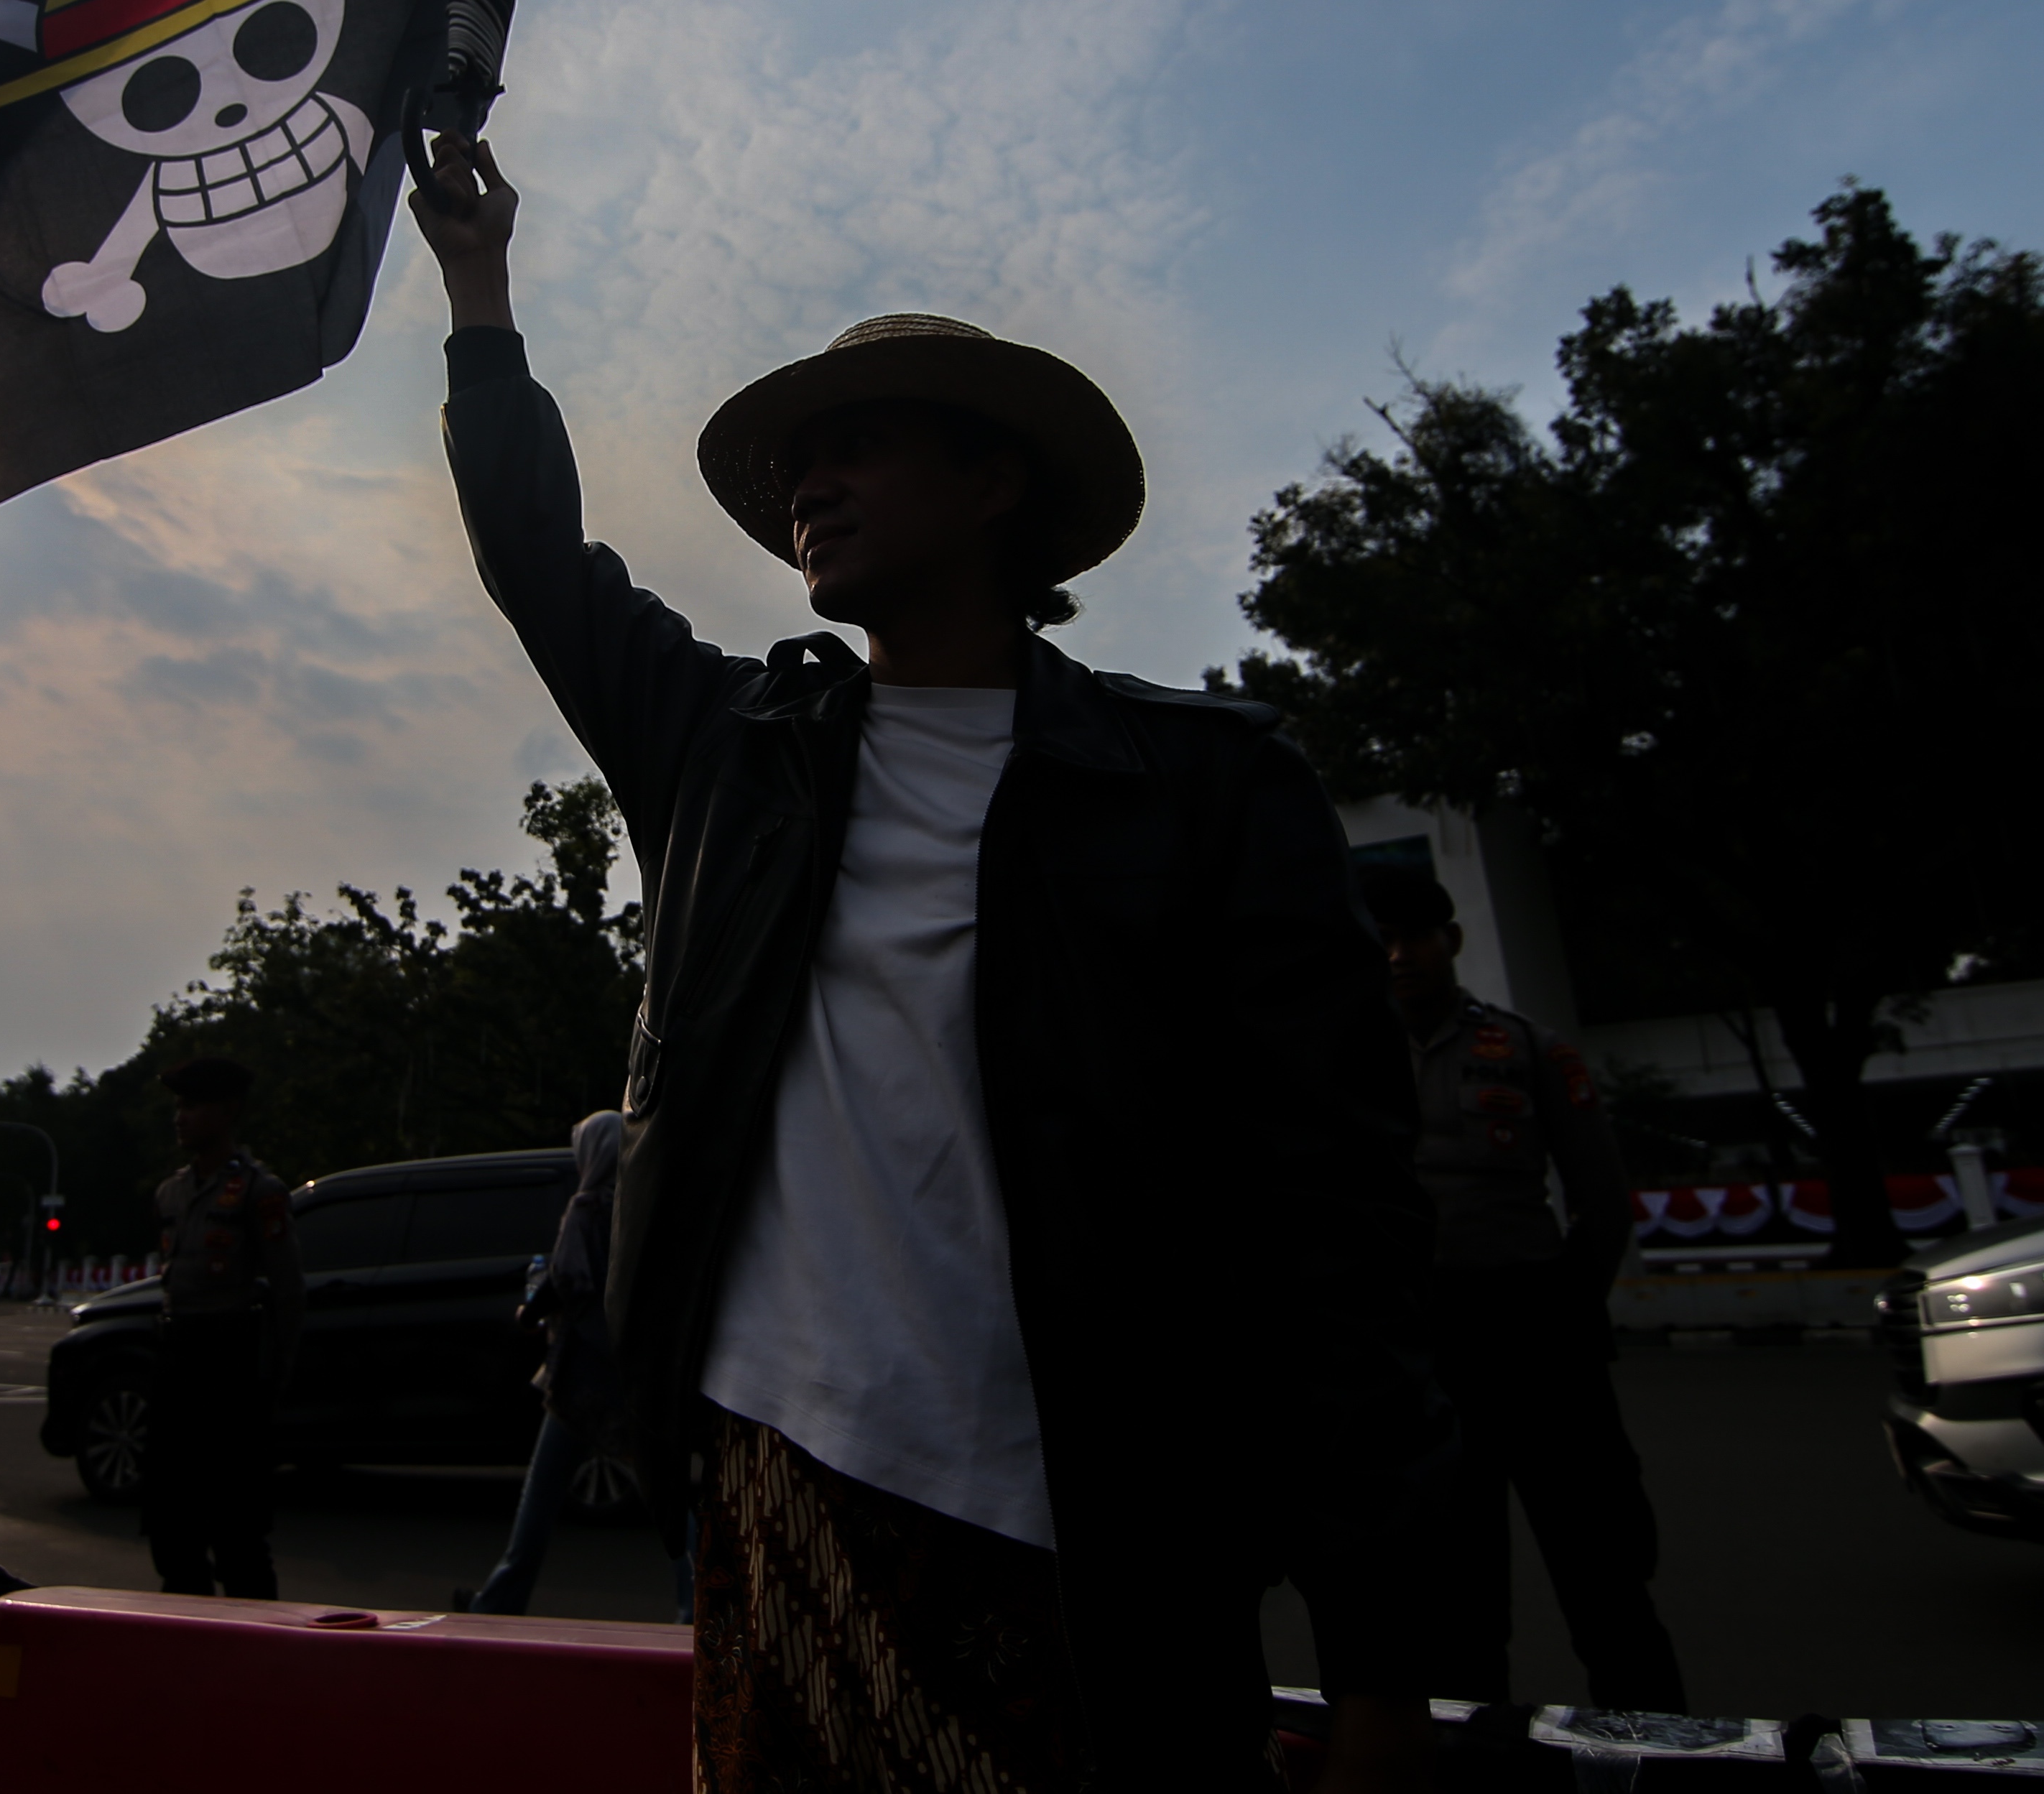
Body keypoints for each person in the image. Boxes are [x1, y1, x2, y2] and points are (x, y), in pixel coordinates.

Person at [412, 134, 1446, 1790]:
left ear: (993, 485)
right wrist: (479, 296)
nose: (809, 486)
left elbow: (1343, 1239)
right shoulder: (731, 756)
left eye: (859, 447)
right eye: (797, 464)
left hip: (1102, 1542)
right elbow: (539, 560)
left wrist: (1387, 1672)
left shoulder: (1204, 791)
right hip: (777, 1497)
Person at [1366, 866, 1683, 1709]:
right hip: (1425, 1345)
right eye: (1381, 938)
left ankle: (1656, 1748)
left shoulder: (1530, 1049)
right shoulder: (1347, 1061)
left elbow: (1602, 1200)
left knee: (1604, 1575)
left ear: (1451, 940)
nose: (1397, 955)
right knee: (1457, 1596)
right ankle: (1477, 1762)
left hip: (1538, 1332)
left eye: (1415, 936)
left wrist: (1568, 1305)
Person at [466, 1109, 659, 1617]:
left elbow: (567, 1282)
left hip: (579, 1375)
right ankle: (696, 1606)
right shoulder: (635, 1208)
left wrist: (532, 1312)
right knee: (667, 1496)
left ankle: (500, 1601)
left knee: (541, 1496)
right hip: (625, 1372)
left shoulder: (585, 1208)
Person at [141, 1056, 303, 1599]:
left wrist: (277, 1374)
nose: (179, 1118)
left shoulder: (260, 1191)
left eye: (191, 1105)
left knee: (237, 1527)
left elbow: (286, 1289)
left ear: (227, 1111)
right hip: (177, 1357)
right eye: (178, 1106)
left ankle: (252, 1647)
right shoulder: (171, 1193)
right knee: (170, 1517)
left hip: (229, 1362)